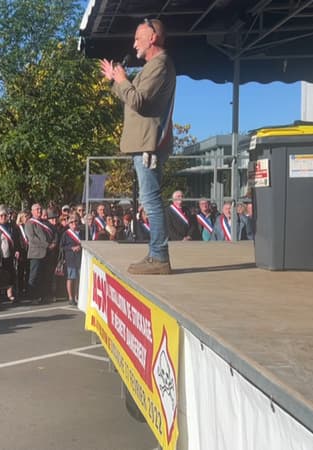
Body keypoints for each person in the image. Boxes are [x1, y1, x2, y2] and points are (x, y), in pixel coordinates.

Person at [100, 17, 176, 275]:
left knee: (151, 199)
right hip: (143, 142)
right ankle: (156, 254)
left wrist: (121, 79)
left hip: (148, 143)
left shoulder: (160, 66)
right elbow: (133, 98)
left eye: (137, 38)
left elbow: (139, 102)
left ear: (152, 38)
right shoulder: (153, 66)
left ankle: (159, 256)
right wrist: (115, 79)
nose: (134, 44)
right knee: (149, 198)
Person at [25, 204, 56, 304]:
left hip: (46, 253)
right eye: (37, 209)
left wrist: (54, 243)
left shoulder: (45, 223)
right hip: (36, 253)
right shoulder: (30, 223)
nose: (39, 211)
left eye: (40, 209)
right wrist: (47, 245)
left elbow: (54, 232)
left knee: (44, 276)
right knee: (34, 276)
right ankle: (33, 297)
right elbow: (32, 239)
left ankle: (43, 296)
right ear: (32, 211)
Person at [61, 213, 84, 305]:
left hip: (80, 257)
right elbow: (62, 247)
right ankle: (70, 297)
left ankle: (77, 296)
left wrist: (80, 246)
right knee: (71, 277)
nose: (74, 223)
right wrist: (71, 248)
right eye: (71, 222)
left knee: (78, 278)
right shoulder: (66, 234)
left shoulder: (82, 232)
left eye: (76, 221)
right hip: (70, 258)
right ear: (68, 223)